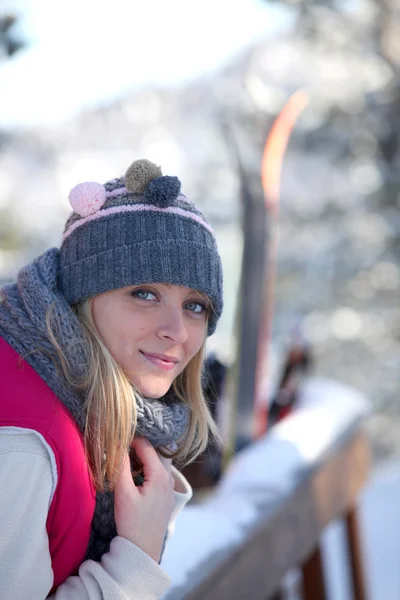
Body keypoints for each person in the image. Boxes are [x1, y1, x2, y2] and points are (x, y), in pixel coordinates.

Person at [0, 158, 223, 599]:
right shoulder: (24, 442)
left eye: (194, 305)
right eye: (144, 293)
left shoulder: (95, 407)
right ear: (83, 298)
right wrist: (134, 561)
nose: (176, 332)